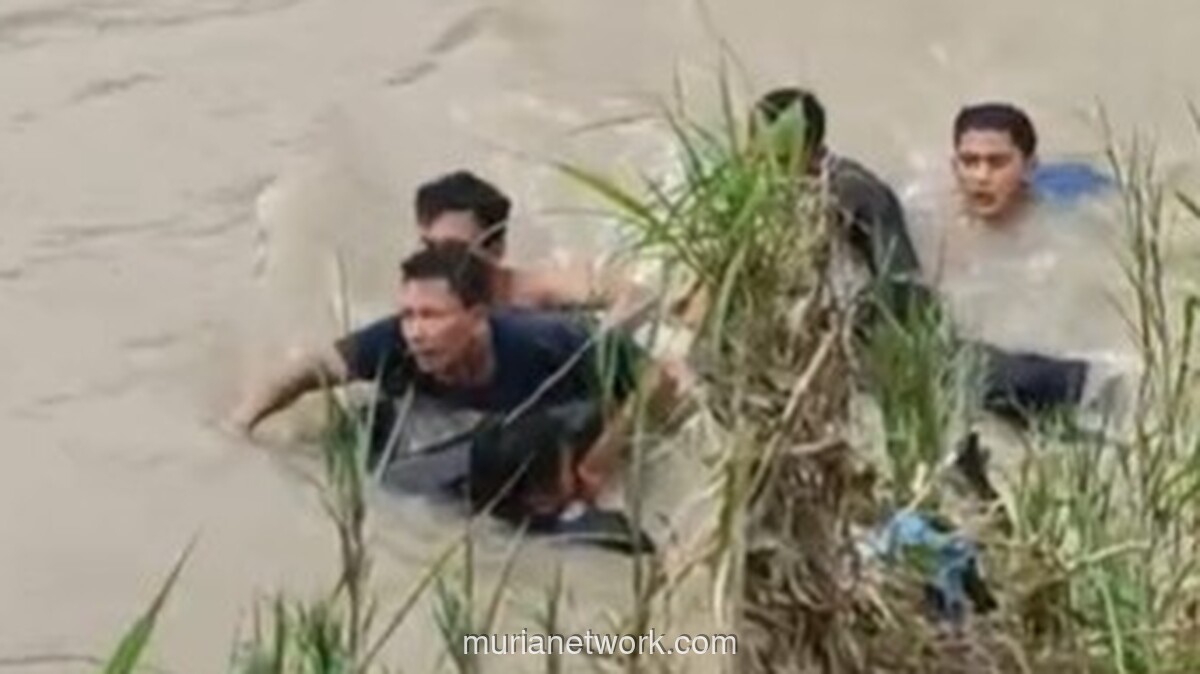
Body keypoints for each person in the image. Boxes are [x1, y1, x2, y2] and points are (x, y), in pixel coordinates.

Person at [228, 243, 677, 518]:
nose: (416, 331)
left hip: (576, 406)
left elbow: (661, 377)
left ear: (478, 317)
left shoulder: (546, 342)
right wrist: (242, 422)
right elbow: (313, 367)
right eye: (408, 315)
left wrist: (603, 456)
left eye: (432, 316)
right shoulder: (396, 343)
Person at [413, 171, 657, 331]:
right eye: (429, 247)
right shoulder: (421, 311)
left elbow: (640, 297)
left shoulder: (535, 289)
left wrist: (590, 355)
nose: (437, 261)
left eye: (454, 249)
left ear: (497, 250)